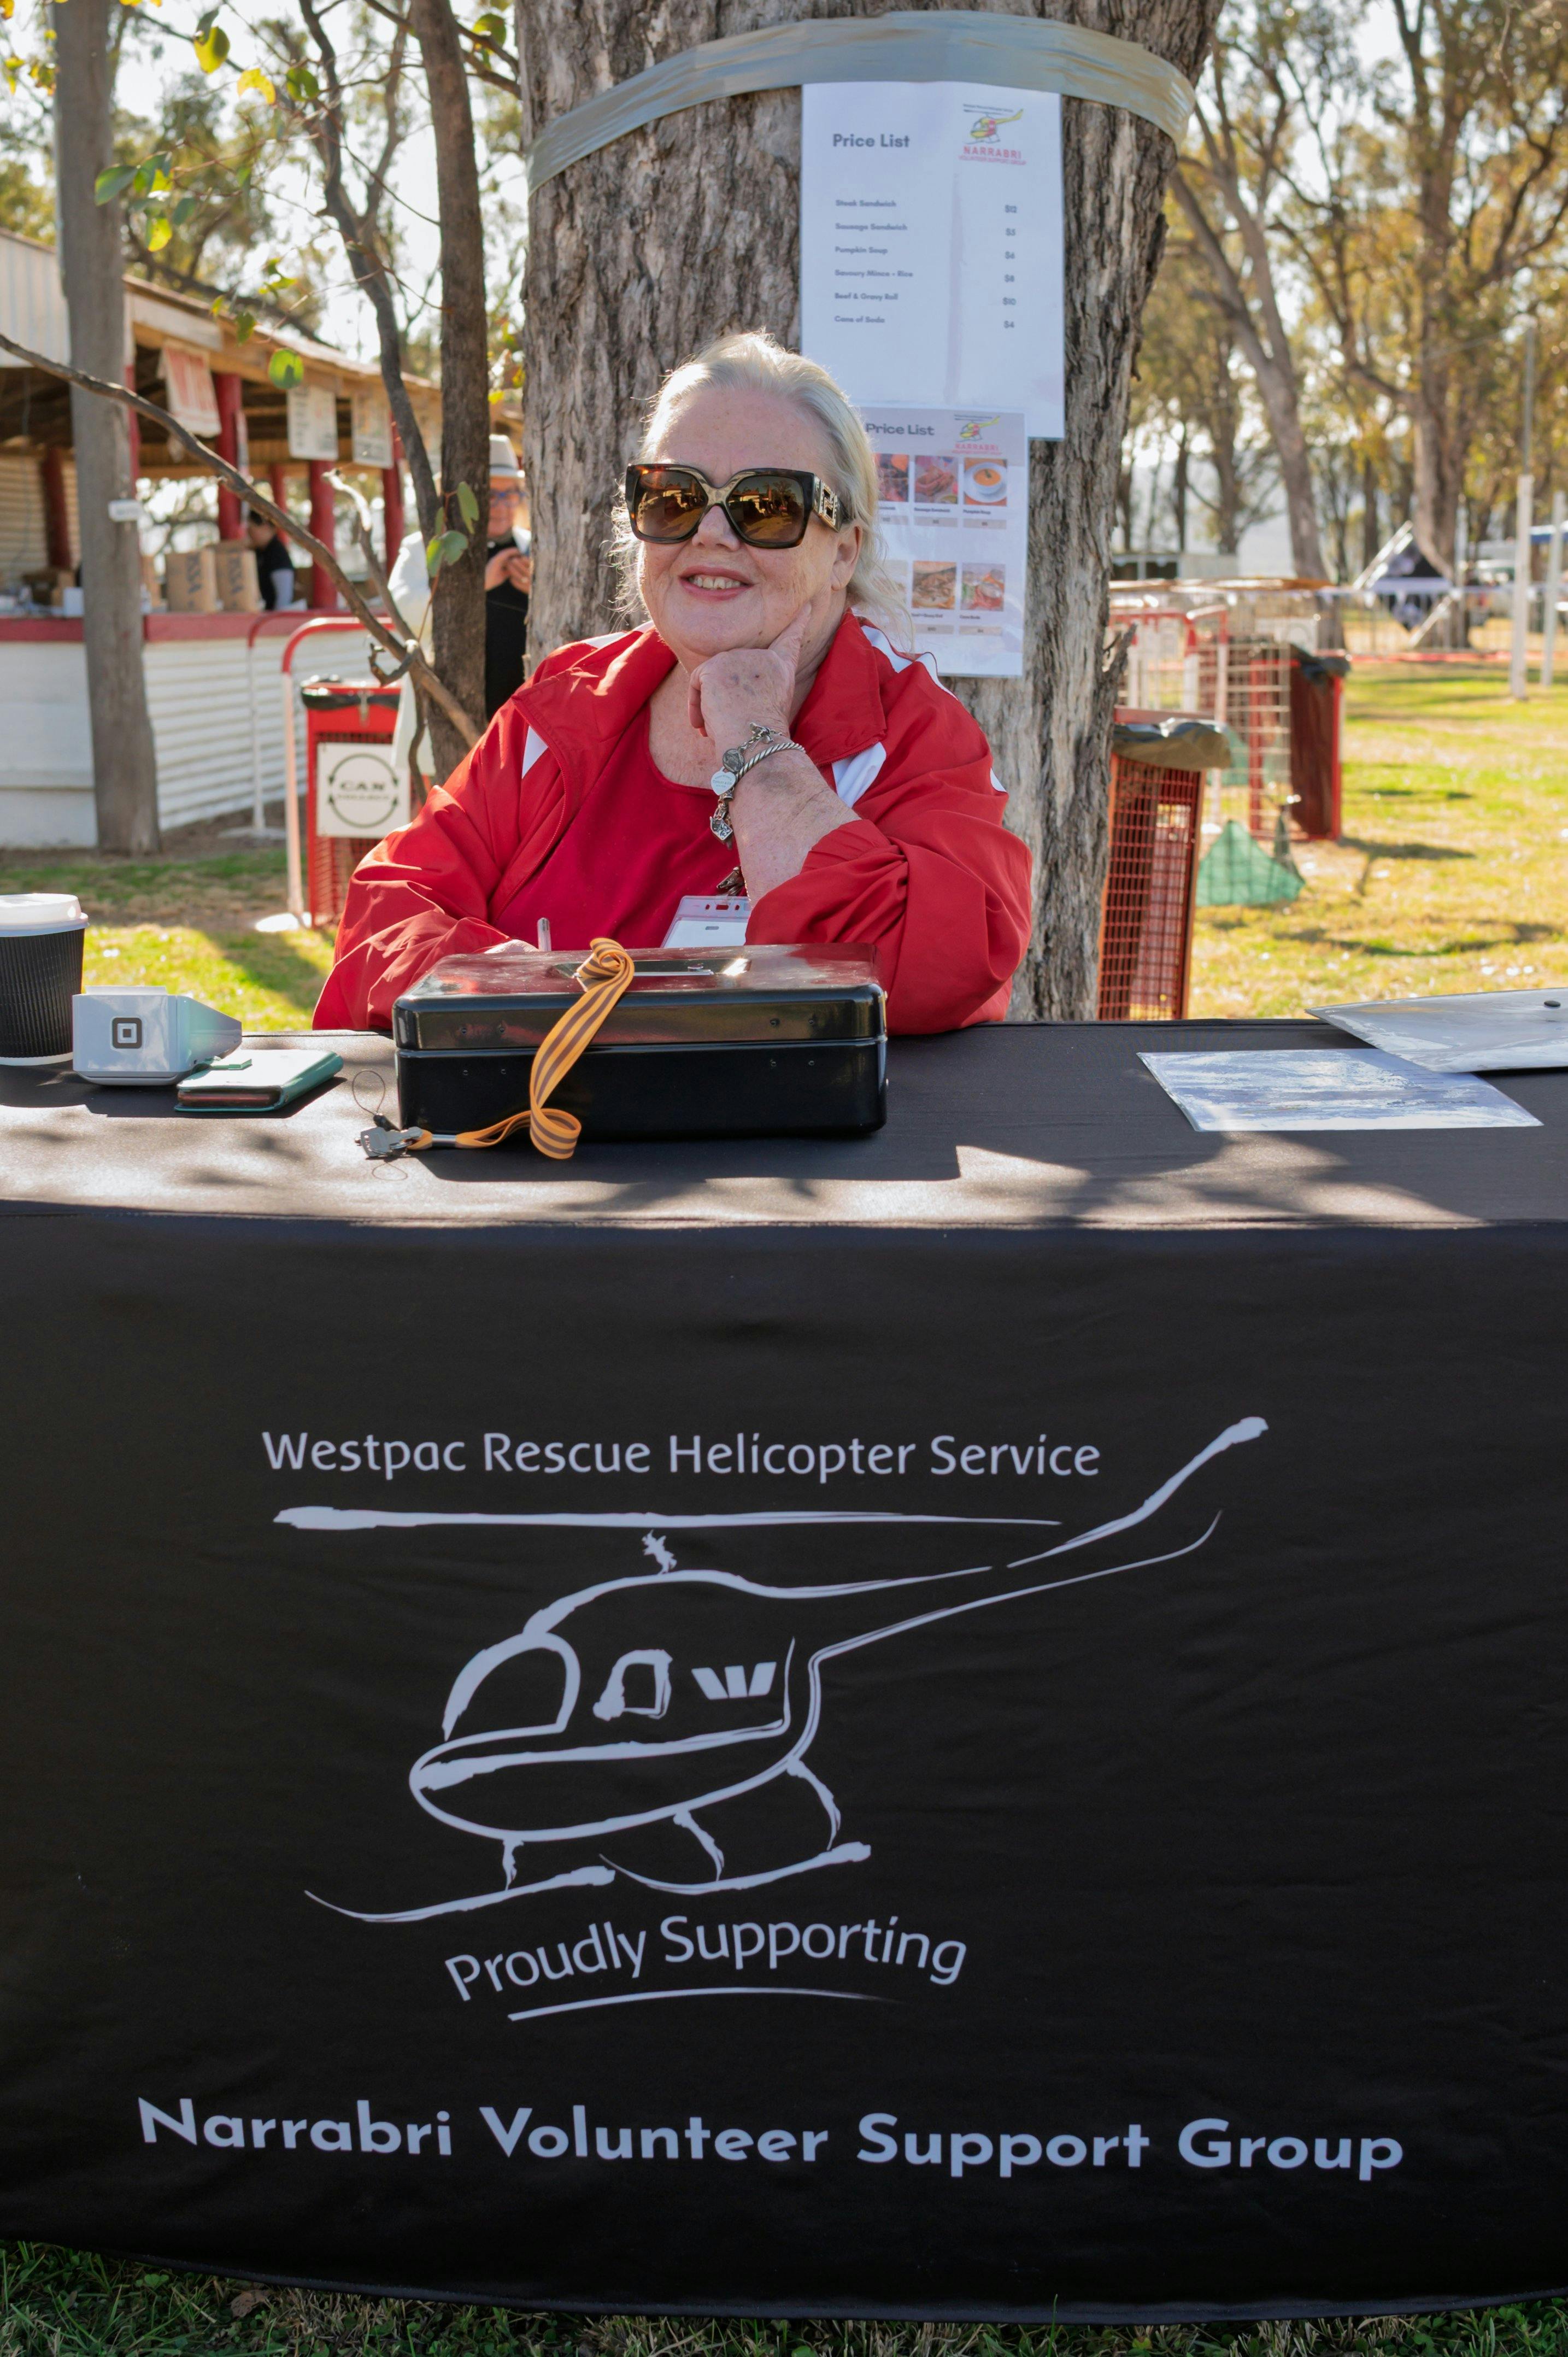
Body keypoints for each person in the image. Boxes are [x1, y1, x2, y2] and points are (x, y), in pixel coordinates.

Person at [315, 331, 1031, 1036]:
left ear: (843, 550)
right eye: (674, 497)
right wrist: (530, 998)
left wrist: (759, 746)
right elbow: (387, 913)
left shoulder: (910, 730)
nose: (711, 534)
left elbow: (933, 973)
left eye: (767, 505)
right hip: (559, 1136)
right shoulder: (566, 708)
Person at [385, 439, 532, 787]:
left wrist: (537, 593)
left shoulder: (533, 546)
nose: (500, 507)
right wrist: (477, 585)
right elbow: (402, 614)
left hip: (520, 721)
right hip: (449, 714)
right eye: (490, 495)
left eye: (510, 494)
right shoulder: (425, 547)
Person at [245, 512, 296, 611]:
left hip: (273, 616)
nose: (249, 534)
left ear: (265, 526)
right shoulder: (260, 551)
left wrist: (274, 621)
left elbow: (284, 596)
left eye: (251, 530)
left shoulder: (277, 553)